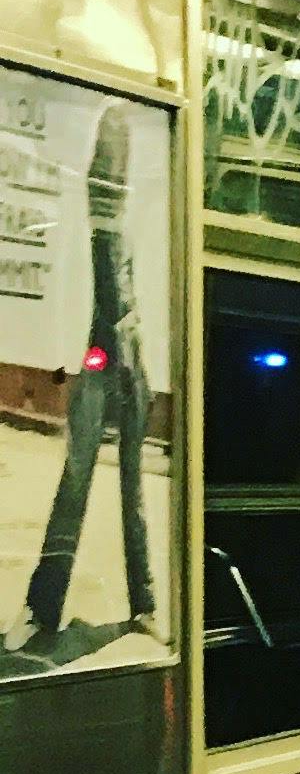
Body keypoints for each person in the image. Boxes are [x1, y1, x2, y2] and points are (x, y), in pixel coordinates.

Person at [21, 104, 156, 653]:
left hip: (121, 358)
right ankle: (46, 606)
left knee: (119, 489)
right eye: (110, 154)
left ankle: (137, 605)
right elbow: (109, 299)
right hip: (107, 356)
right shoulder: (101, 221)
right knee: (85, 486)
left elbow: (123, 296)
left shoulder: (124, 221)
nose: (112, 168)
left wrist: (126, 345)